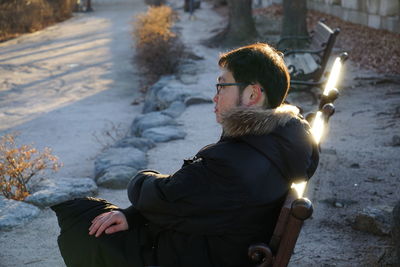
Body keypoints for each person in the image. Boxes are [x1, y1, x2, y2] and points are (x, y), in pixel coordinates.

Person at [52, 42, 319, 267]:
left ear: (252, 94)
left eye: (222, 86)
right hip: (213, 243)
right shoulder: (274, 143)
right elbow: (184, 200)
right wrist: (132, 214)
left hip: (193, 255)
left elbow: (161, 194)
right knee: (99, 217)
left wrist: (140, 180)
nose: (215, 96)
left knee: (82, 223)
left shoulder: (235, 162)